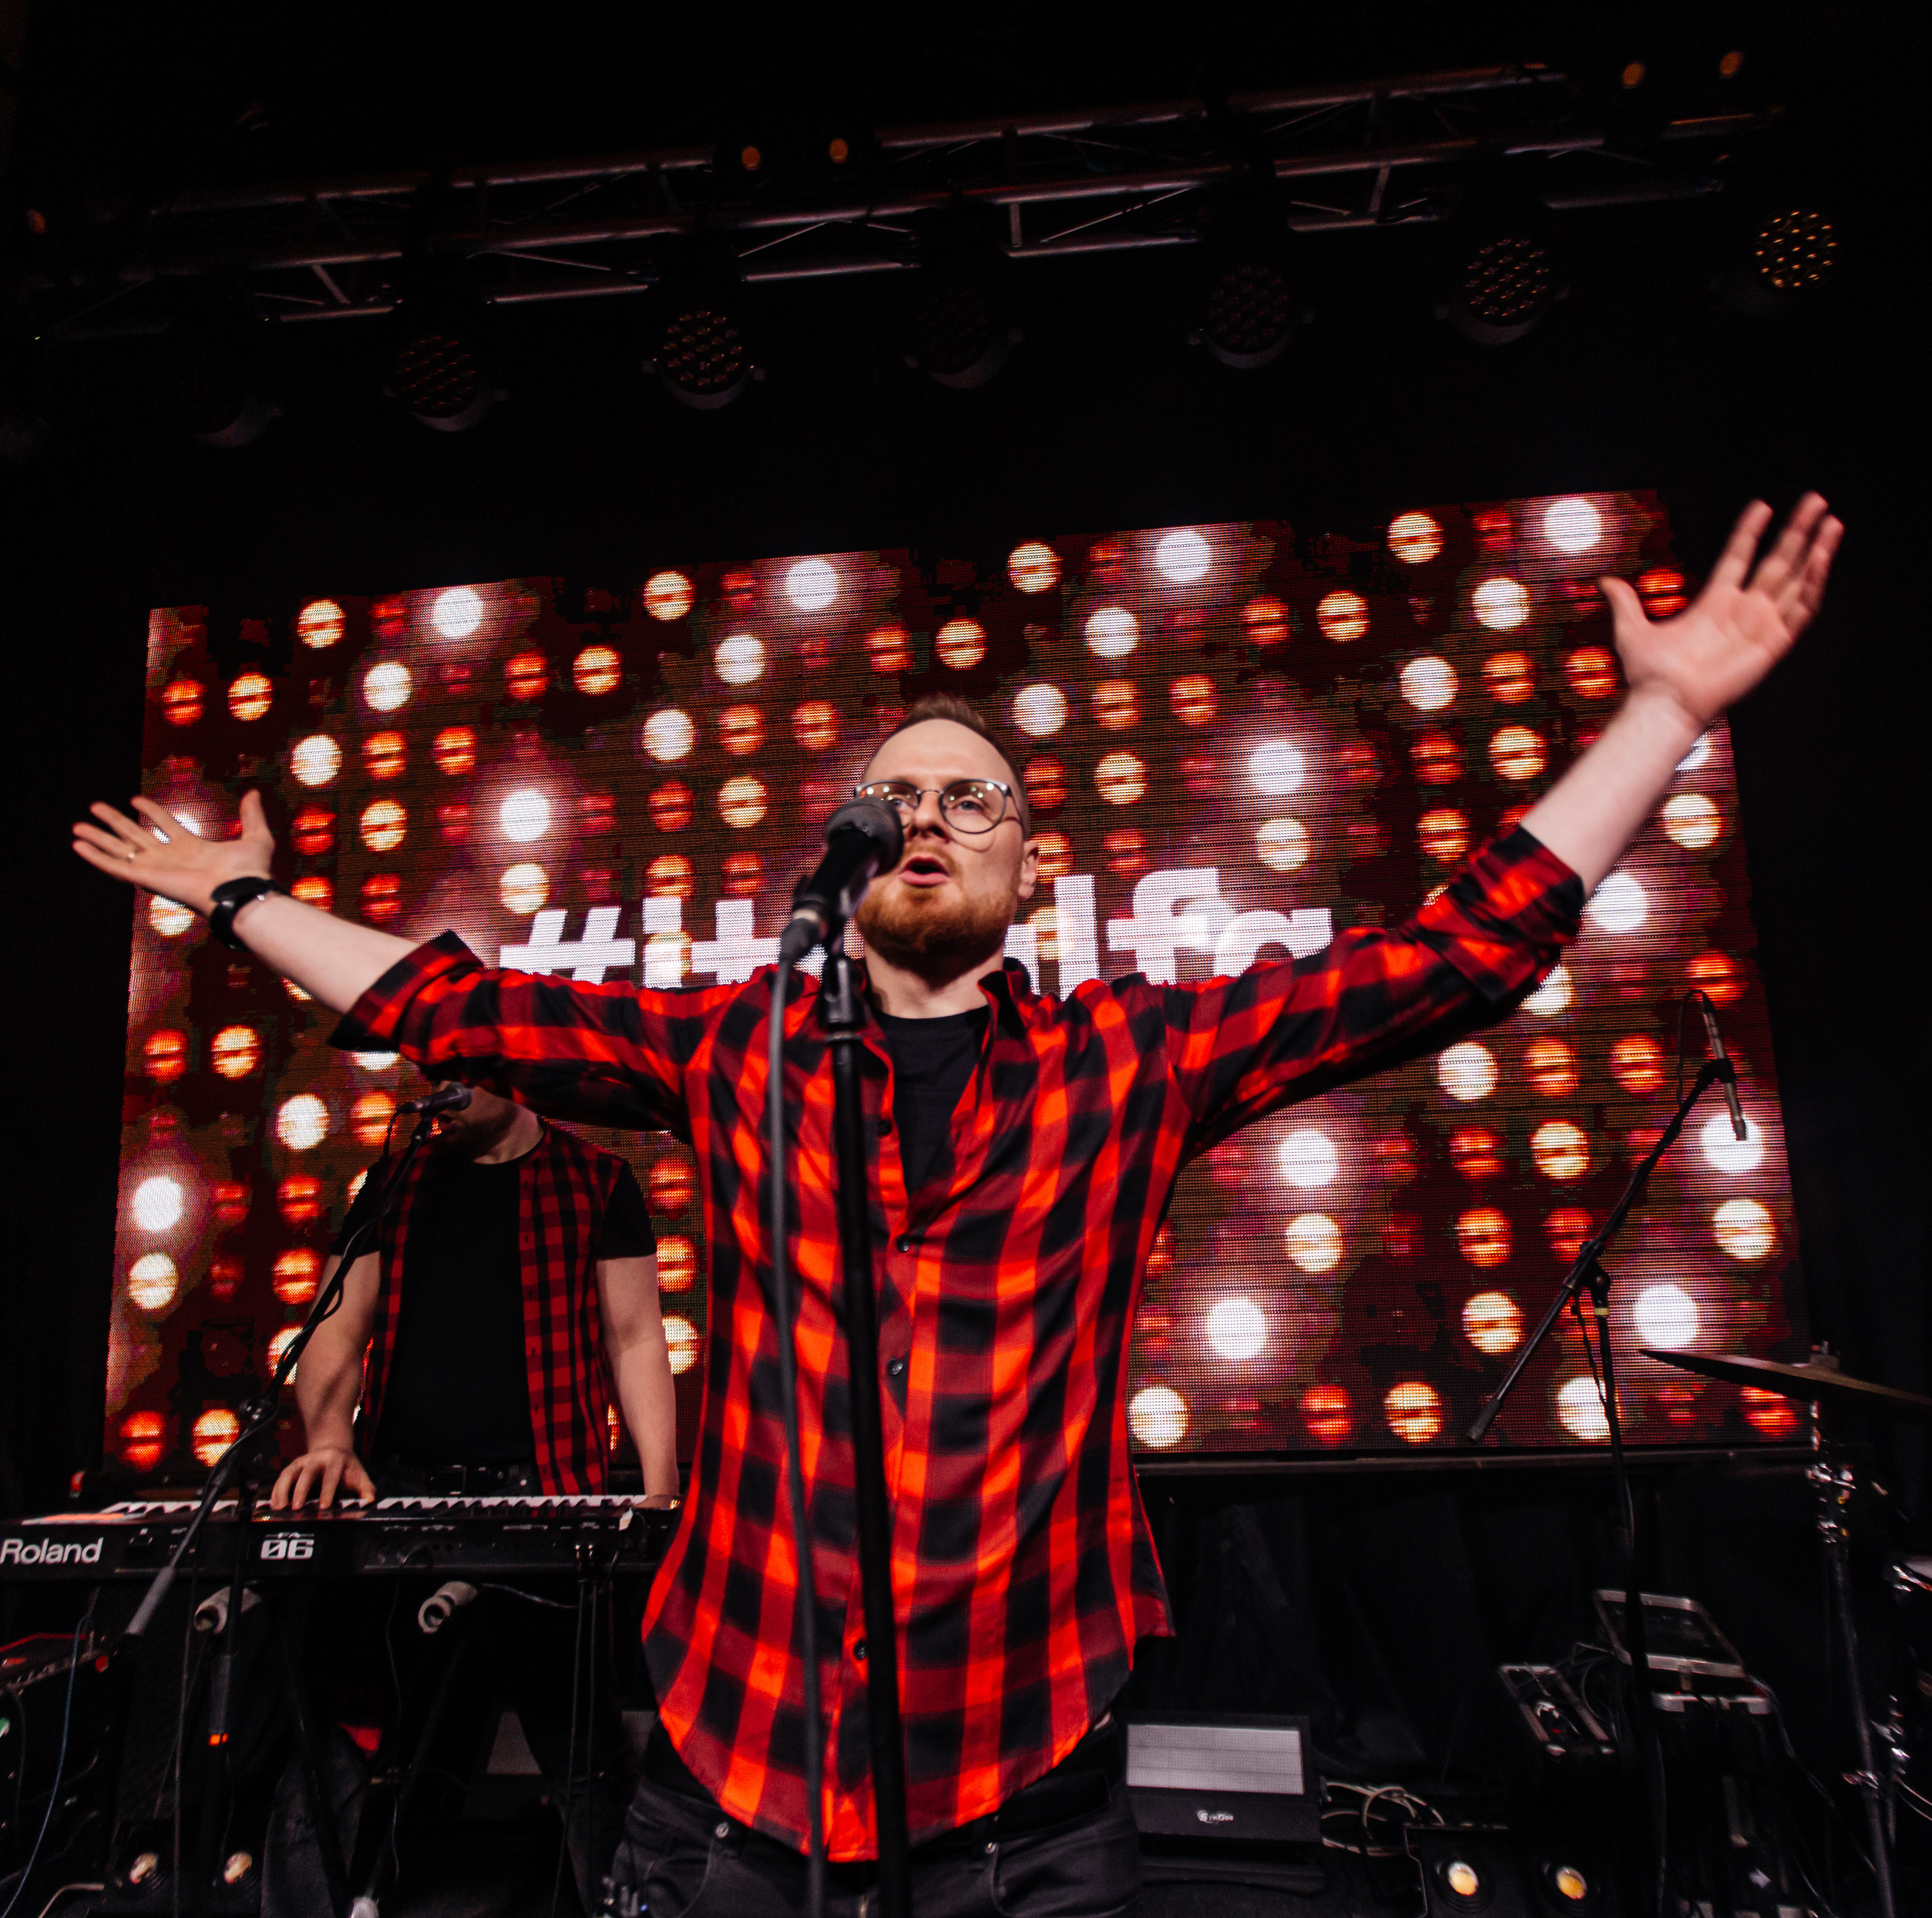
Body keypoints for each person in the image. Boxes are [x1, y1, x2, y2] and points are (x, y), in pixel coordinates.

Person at [76, 495, 1840, 1918]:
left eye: (971, 796)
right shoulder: (733, 1052)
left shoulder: (1130, 1057)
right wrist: (240, 893)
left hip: (1028, 1788)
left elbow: (1459, 955)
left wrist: (1668, 712)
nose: (929, 813)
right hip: (733, 1776)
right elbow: (449, 1004)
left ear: (1025, 870)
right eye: (895, 796)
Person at [262, 1074, 680, 1910]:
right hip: (403, 1499)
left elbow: (634, 1339)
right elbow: (339, 1324)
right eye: (426, 1078)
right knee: (360, 1746)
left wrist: (658, 1496)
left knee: (584, 1760)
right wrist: (330, 1439)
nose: (434, 1095)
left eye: (453, 1078)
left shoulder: (595, 1178)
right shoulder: (395, 1182)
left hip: (548, 1502)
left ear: (509, 1077)